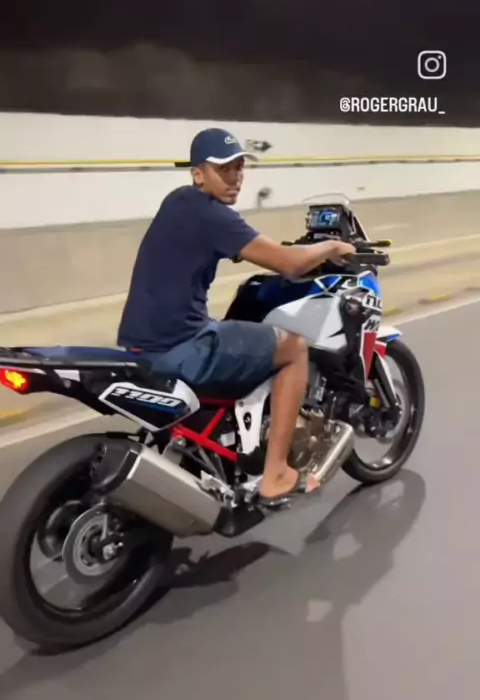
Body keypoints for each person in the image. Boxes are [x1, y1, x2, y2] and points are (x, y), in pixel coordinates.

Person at [117, 128, 355, 507]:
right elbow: (289, 264)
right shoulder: (212, 215)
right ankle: (275, 474)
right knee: (293, 348)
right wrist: (331, 246)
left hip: (139, 342)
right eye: (223, 169)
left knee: (237, 331)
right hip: (180, 345)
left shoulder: (180, 203)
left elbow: (242, 247)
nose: (235, 177)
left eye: (239, 167)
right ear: (198, 174)